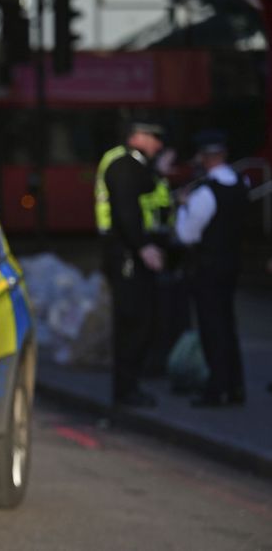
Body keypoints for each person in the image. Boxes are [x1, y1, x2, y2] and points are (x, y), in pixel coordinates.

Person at [95, 121, 170, 407]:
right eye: (154, 138)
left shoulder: (134, 164)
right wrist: (144, 247)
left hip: (130, 253)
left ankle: (130, 386)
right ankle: (126, 389)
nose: (159, 145)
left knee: (140, 320)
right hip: (126, 255)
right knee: (132, 321)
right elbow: (126, 211)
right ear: (137, 137)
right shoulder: (124, 165)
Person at [175, 130, 248, 407]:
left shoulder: (206, 192)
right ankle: (235, 385)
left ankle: (216, 388)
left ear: (204, 157)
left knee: (211, 327)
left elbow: (186, 235)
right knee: (228, 324)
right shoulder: (240, 183)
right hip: (232, 264)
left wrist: (183, 207)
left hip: (207, 267)